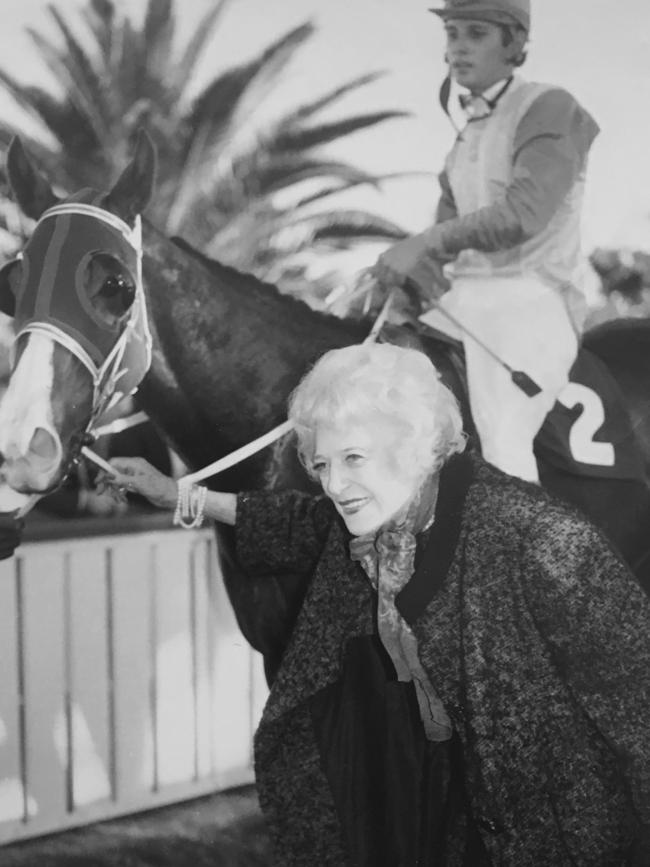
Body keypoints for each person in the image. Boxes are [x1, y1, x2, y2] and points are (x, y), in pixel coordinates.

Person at [99, 342, 650, 866]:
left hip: (553, 835)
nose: (335, 485)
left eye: (353, 458)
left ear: (413, 445)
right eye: (321, 465)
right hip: (435, 818)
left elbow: (638, 707)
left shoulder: (544, 541)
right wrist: (180, 496)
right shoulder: (376, 522)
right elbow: (296, 521)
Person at [373, 0, 599, 484]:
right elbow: (442, 246)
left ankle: (520, 554)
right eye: (452, 34)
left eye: (475, 34)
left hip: (535, 300)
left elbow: (524, 214)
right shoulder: (465, 138)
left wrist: (422, 244)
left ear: (514, 43)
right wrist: (408, 280)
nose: (457, 48)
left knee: (501, 437)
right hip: (467, 301)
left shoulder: (551, 106)